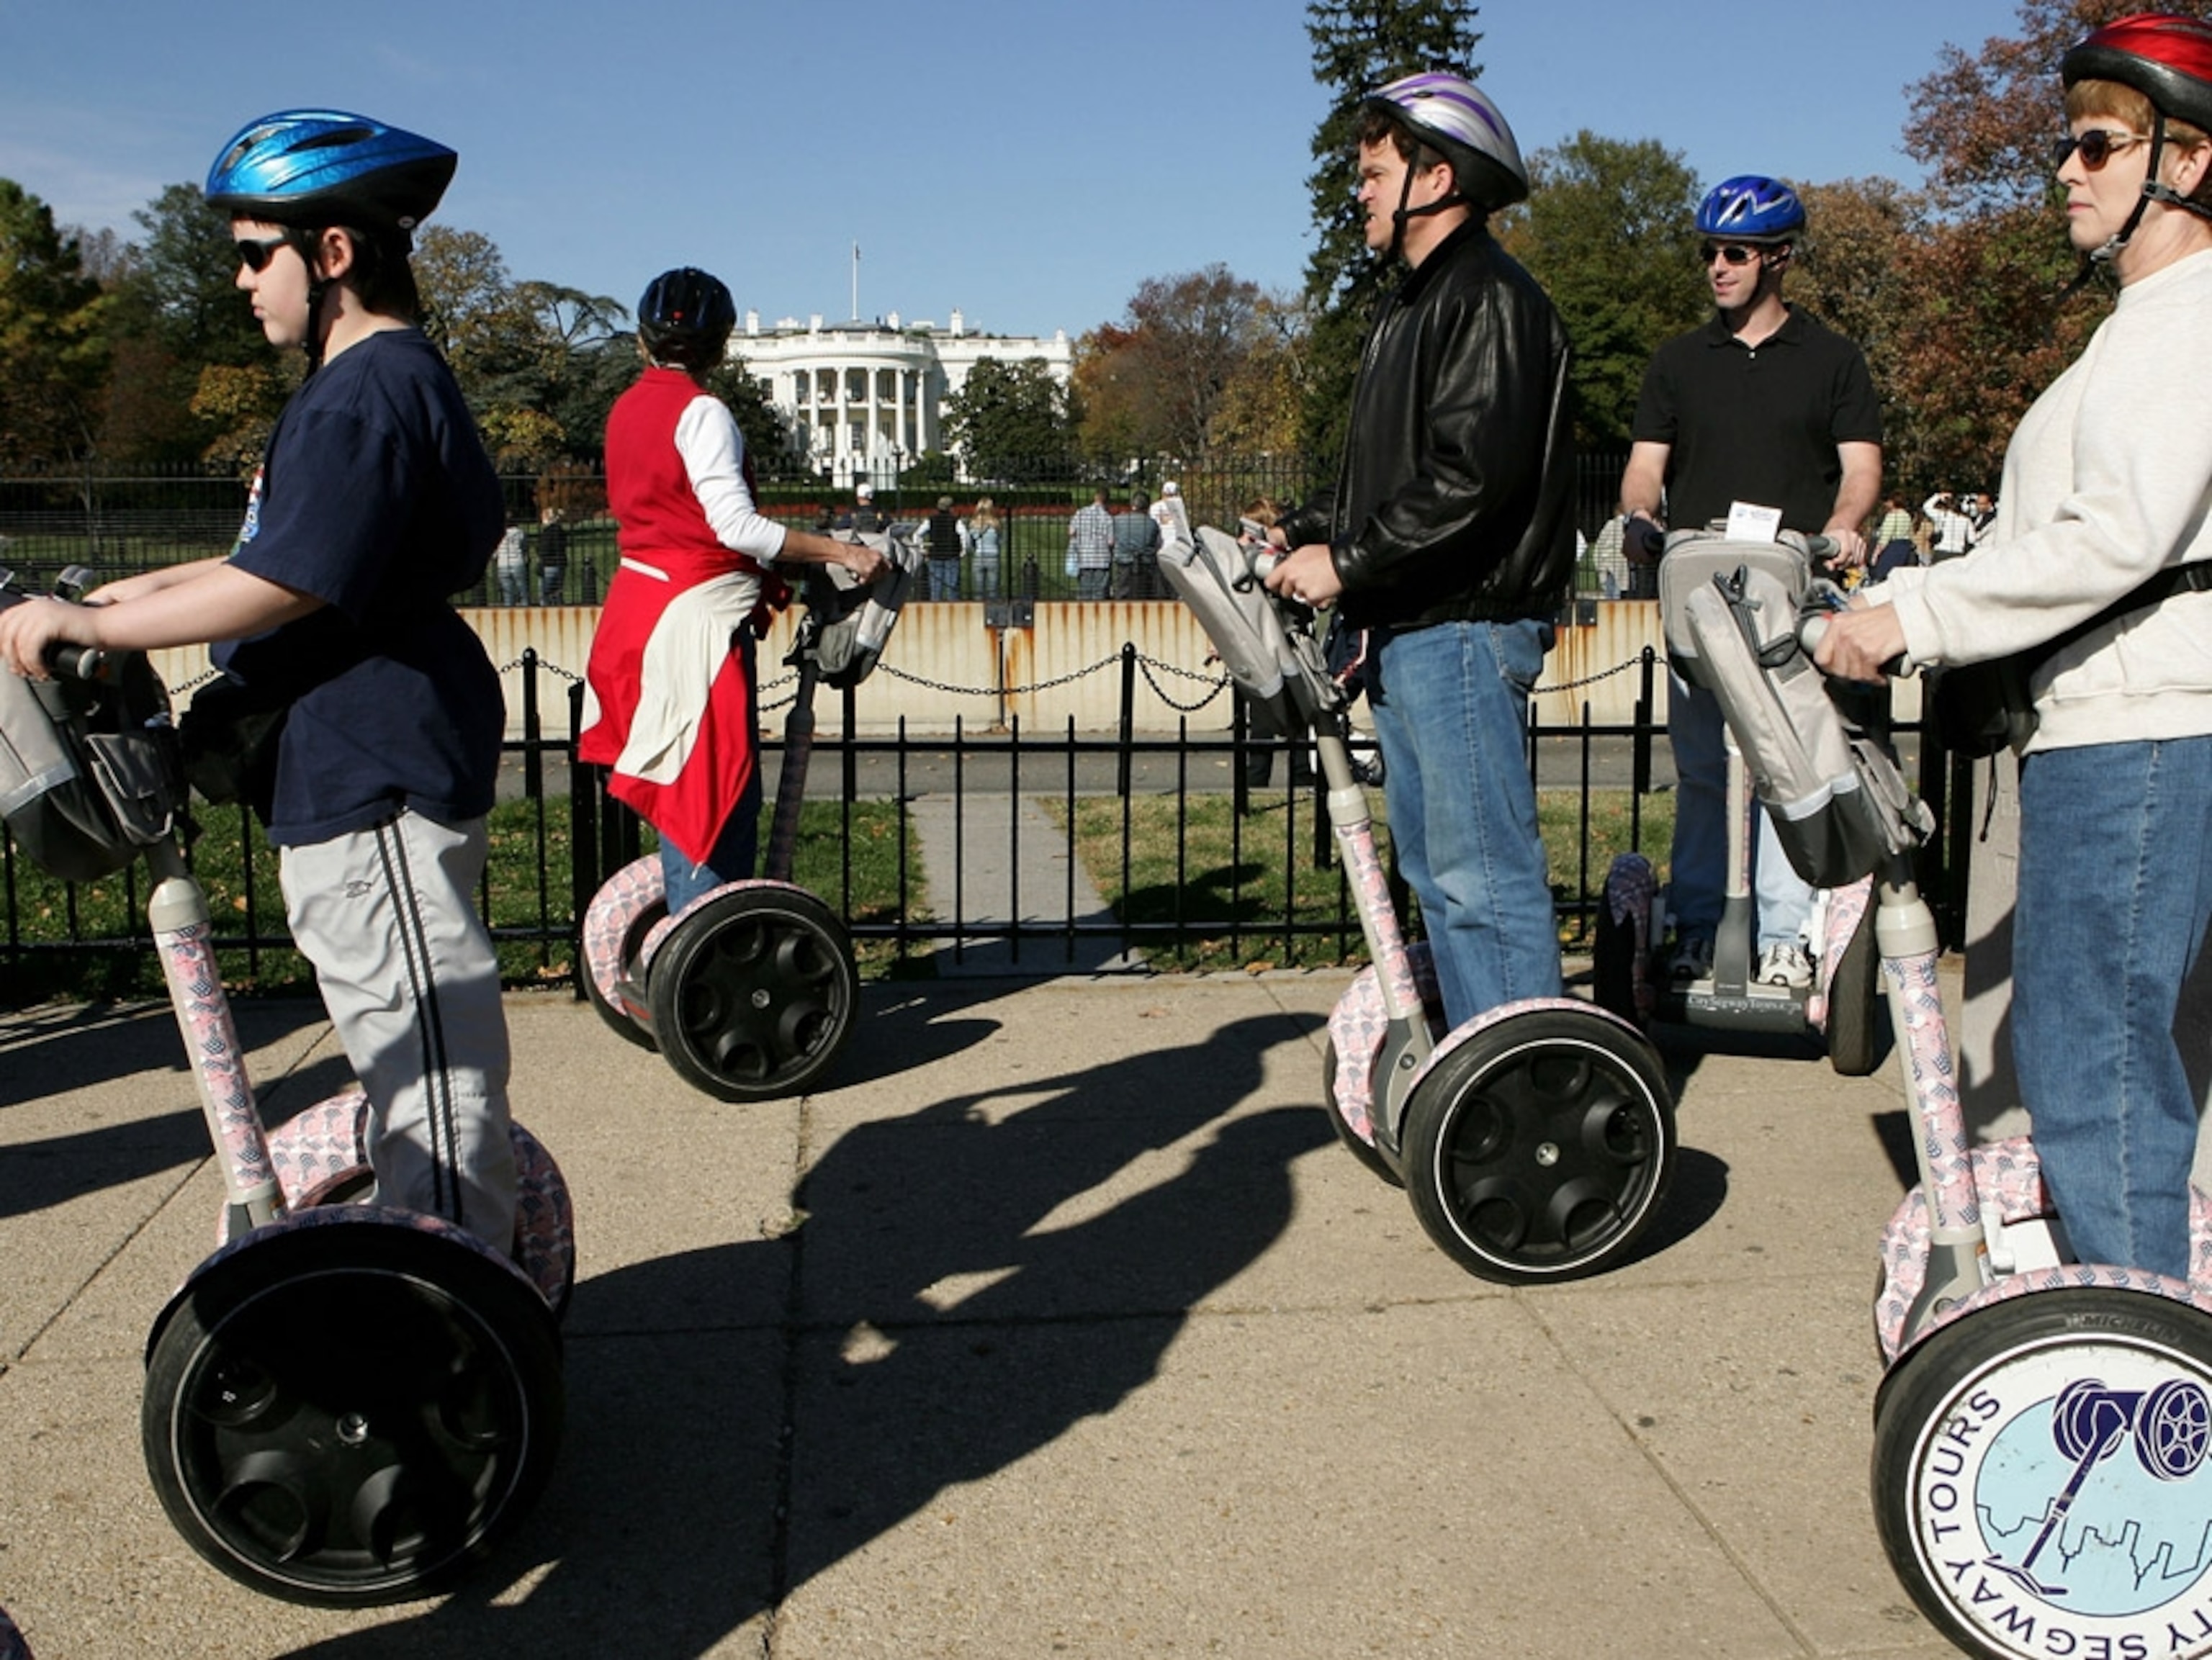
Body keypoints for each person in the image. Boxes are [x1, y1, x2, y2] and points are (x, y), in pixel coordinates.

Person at [0, 109, 525, 1250]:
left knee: (430, 1080)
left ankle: (450, 1335)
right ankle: (443, 1298)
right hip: (358, 762)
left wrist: (91, 621)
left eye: (255, 252)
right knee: (414, 1065)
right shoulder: (370, 388)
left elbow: (284, 584)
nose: (242, 281)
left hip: (372, 770)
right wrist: (119, 603)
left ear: (331, 253)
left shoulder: (367, 390)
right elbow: (262, 561)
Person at [1815, 13, 2212, 1284]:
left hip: (2141, 719)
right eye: (2066, 142)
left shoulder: (2185, 323)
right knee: (2100, 1051)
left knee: (2091, 1062)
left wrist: (1910, 617)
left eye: (2097, 144)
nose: (2064, 169)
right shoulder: (2138, 326)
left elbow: (2115, 536)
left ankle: (2153, 1399)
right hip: (2113, 715)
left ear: (2185, 163)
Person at [1264, 71, 1575, 1032]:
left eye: (1374, 170)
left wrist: (1349, 562)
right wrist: (1310, 528)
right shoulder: (1418, 303)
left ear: (1436, 176)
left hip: (1466, 628)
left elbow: (1471, 481)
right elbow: (1405, 473)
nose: (1355, 190)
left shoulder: (1485, 296)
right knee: (1440, 883)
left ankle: (1531, 1091)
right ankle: (1485, 1071)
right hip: (1421, 625)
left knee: (1483, 880)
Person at [1617, 173, 1883, 991]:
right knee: (1703, 769)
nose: (1717, 268)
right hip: (1699, 592)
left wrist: (1842, 528)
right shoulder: (1679, 362)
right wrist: (1638, 518)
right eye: (1708, 253)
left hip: (1786, 591)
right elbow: (1642, 470)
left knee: (1783, 764)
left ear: (1778, 259)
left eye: (1734, 252)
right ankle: (1696, 925)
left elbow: (1861, 472)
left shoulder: (1833, 360)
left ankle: (1784, 935)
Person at [580, 267, 884, 916]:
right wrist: (842, 551)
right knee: (710, 798)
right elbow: (736, 528)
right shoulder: (703, 411)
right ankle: (706, 975)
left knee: (677, 783)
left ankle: (681, 958)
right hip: (696, 622)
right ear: (720, 348)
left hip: (636, 612)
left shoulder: (627, 408)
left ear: (643, 342)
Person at [1111, 488, 1161, 599]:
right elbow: (1155, 543)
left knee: (1122, 593)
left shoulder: (1118, 520)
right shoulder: (1152, 524)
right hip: (1145, 564)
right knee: (1144, 596)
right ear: (1147, 507)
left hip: (1123, 562)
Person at [1067, 486, 1114, 600]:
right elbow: (1111, 542)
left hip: (1085, 558)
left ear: (1095, 497)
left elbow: (1071, 532)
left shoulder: (1081, 513)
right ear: (1107, 501)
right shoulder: (1108, 518)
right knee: (1100, 596)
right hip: (1102, 560)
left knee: (1085, 595)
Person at [924, 495, 963, 600]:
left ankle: (935, 609)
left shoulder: (931, 520)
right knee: (952, 586)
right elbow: (964, 535)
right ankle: (953, 609)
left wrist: (922, 549)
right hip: (952, 555)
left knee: (935, 587)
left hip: (935, 555)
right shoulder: (955, 521)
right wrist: (964, 550)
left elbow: (917, 534)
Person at [1923, 490, 1977, 559]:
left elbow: (1926, 507)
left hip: (1941, 551)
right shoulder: (1967, 521)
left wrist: (1939, 496)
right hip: (1958, 553)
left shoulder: (1942, 516)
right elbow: (1972, 540)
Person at [968, 497, 1002, 600]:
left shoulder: (973, 525)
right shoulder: (996, 525)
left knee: (979, 588)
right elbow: (1000, 541)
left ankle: (979, 609)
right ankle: (993, 610)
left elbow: (970, 542)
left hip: (979, 555)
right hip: (993, 556)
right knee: (993, 589)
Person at [494, 514, 529, 605]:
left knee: (507, 593)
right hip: (518, 562)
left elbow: (495, 552)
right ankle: (526, 610)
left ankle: (509, 611)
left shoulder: (499, 533)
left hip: (503, 564)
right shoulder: (520, 533)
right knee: (523, 591)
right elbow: (524, 547)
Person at [538, 505, 569, 603]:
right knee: (557, 592)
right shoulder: (561, 531)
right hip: (560, 564)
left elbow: (544, 549)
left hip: (549, 564)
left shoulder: (547, 533)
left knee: (544, 594)